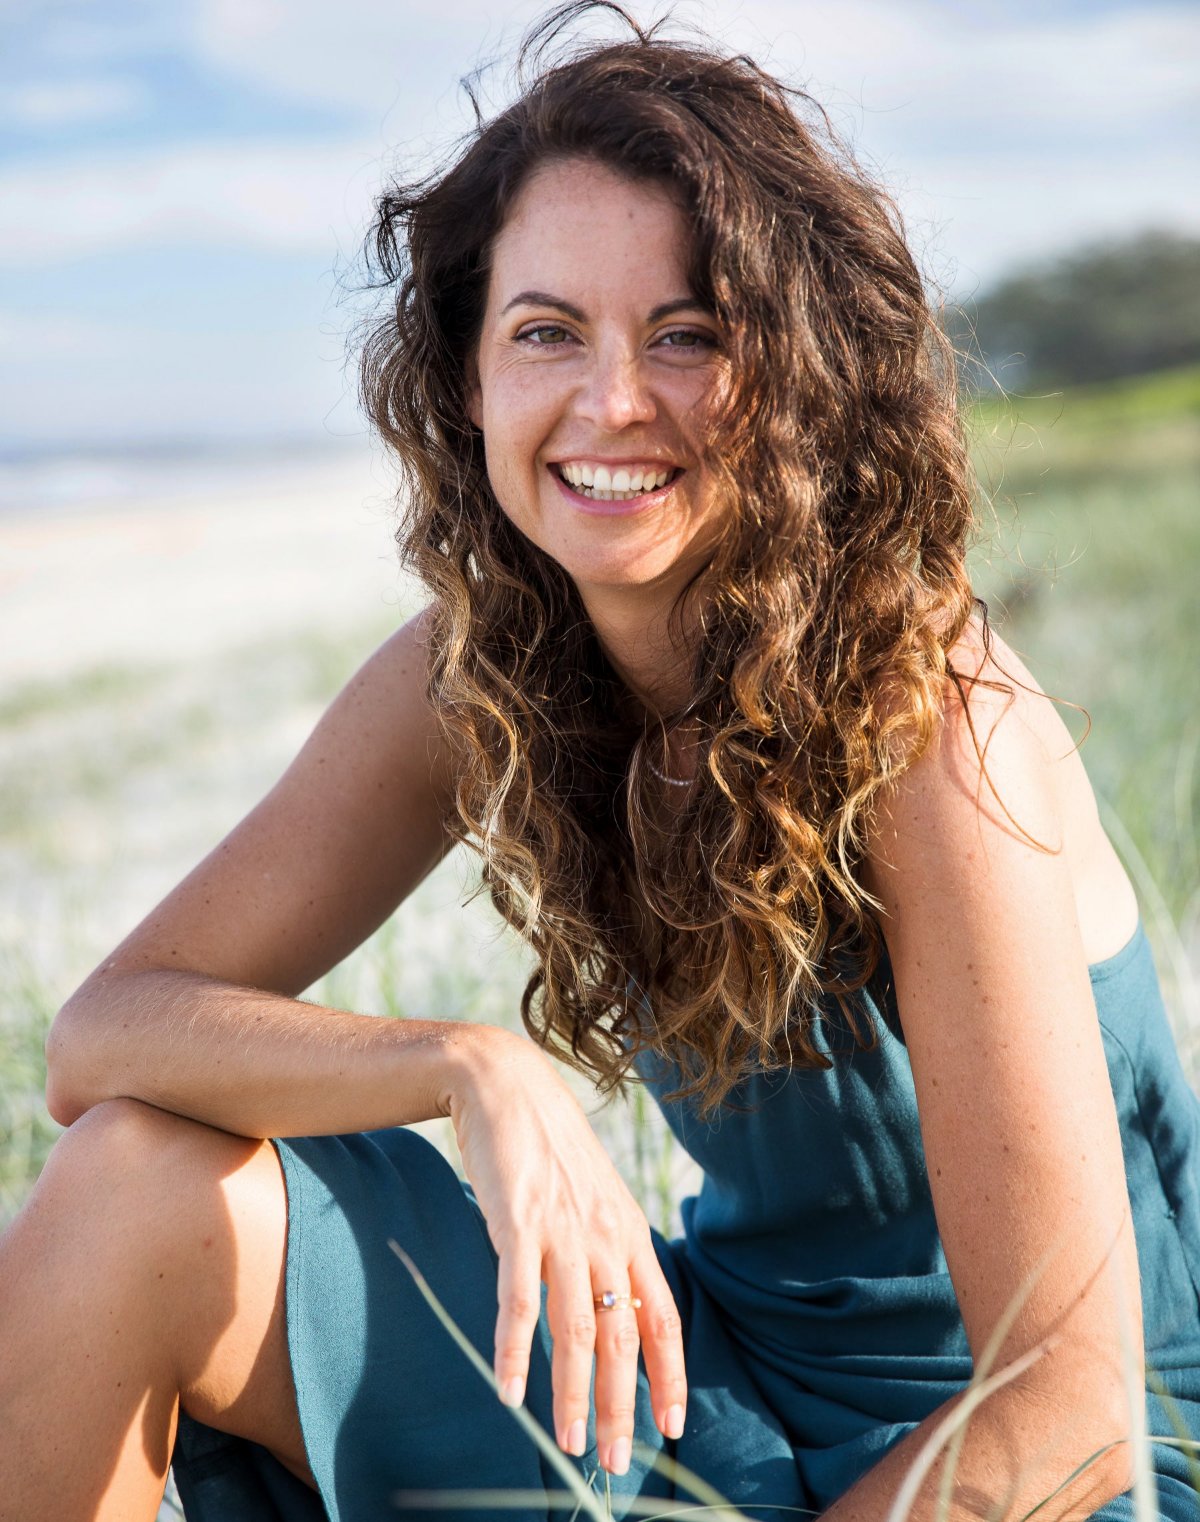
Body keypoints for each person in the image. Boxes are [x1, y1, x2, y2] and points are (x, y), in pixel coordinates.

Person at [4, 4, 1198, 1519]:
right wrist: (463, 1067)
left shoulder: (934, 724)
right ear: (471, 379)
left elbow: (1071, 1408)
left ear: (800, 374)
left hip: (1032, 1469)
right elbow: (101, 1035)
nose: (609, 400)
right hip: (716, 1389)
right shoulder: (482, 670)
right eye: (546, 331)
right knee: (131, 1192)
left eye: (686, 333)